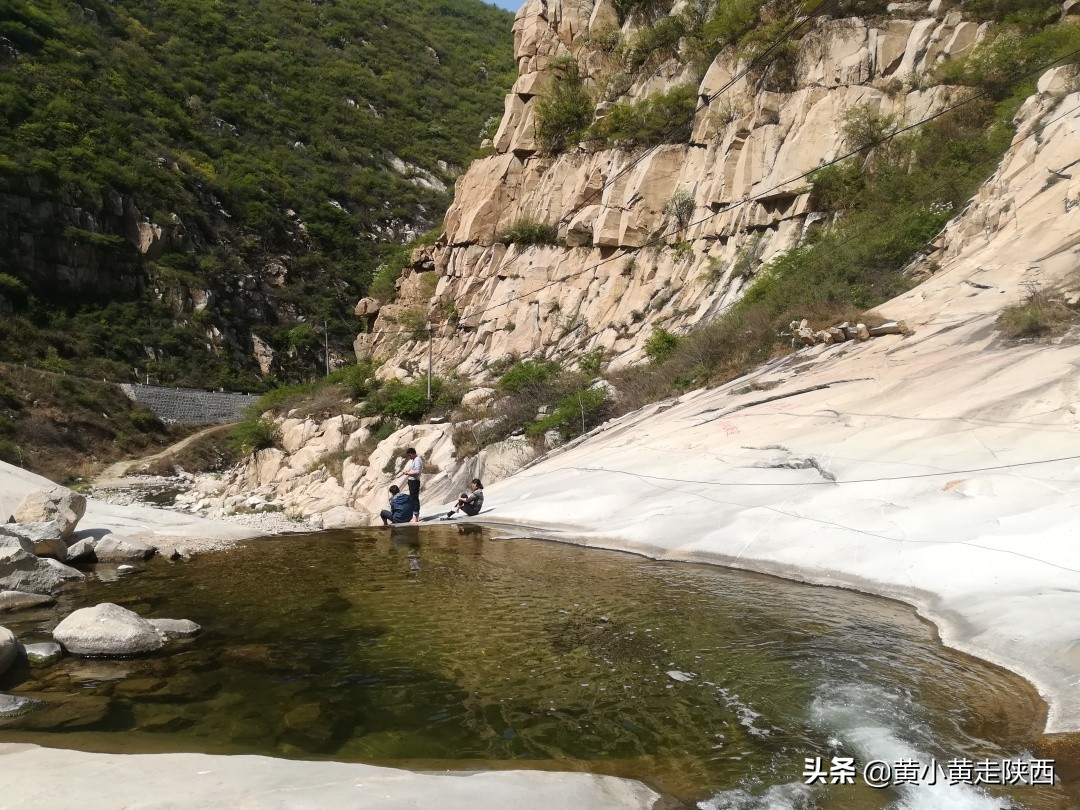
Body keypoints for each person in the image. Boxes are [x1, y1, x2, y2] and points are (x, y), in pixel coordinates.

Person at [402, 448, 423, 523]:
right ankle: (416, 516)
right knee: (413, 498)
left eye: (409, 455)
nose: (409, 457)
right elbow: (414, 470)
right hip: (412, 481)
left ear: (412, 453)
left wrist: (408, 473)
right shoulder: (415, 460)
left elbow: (417, 472)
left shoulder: (417, 460)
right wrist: (409, 471)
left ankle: (416, 517)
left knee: (414, 498)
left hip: (414, 482)